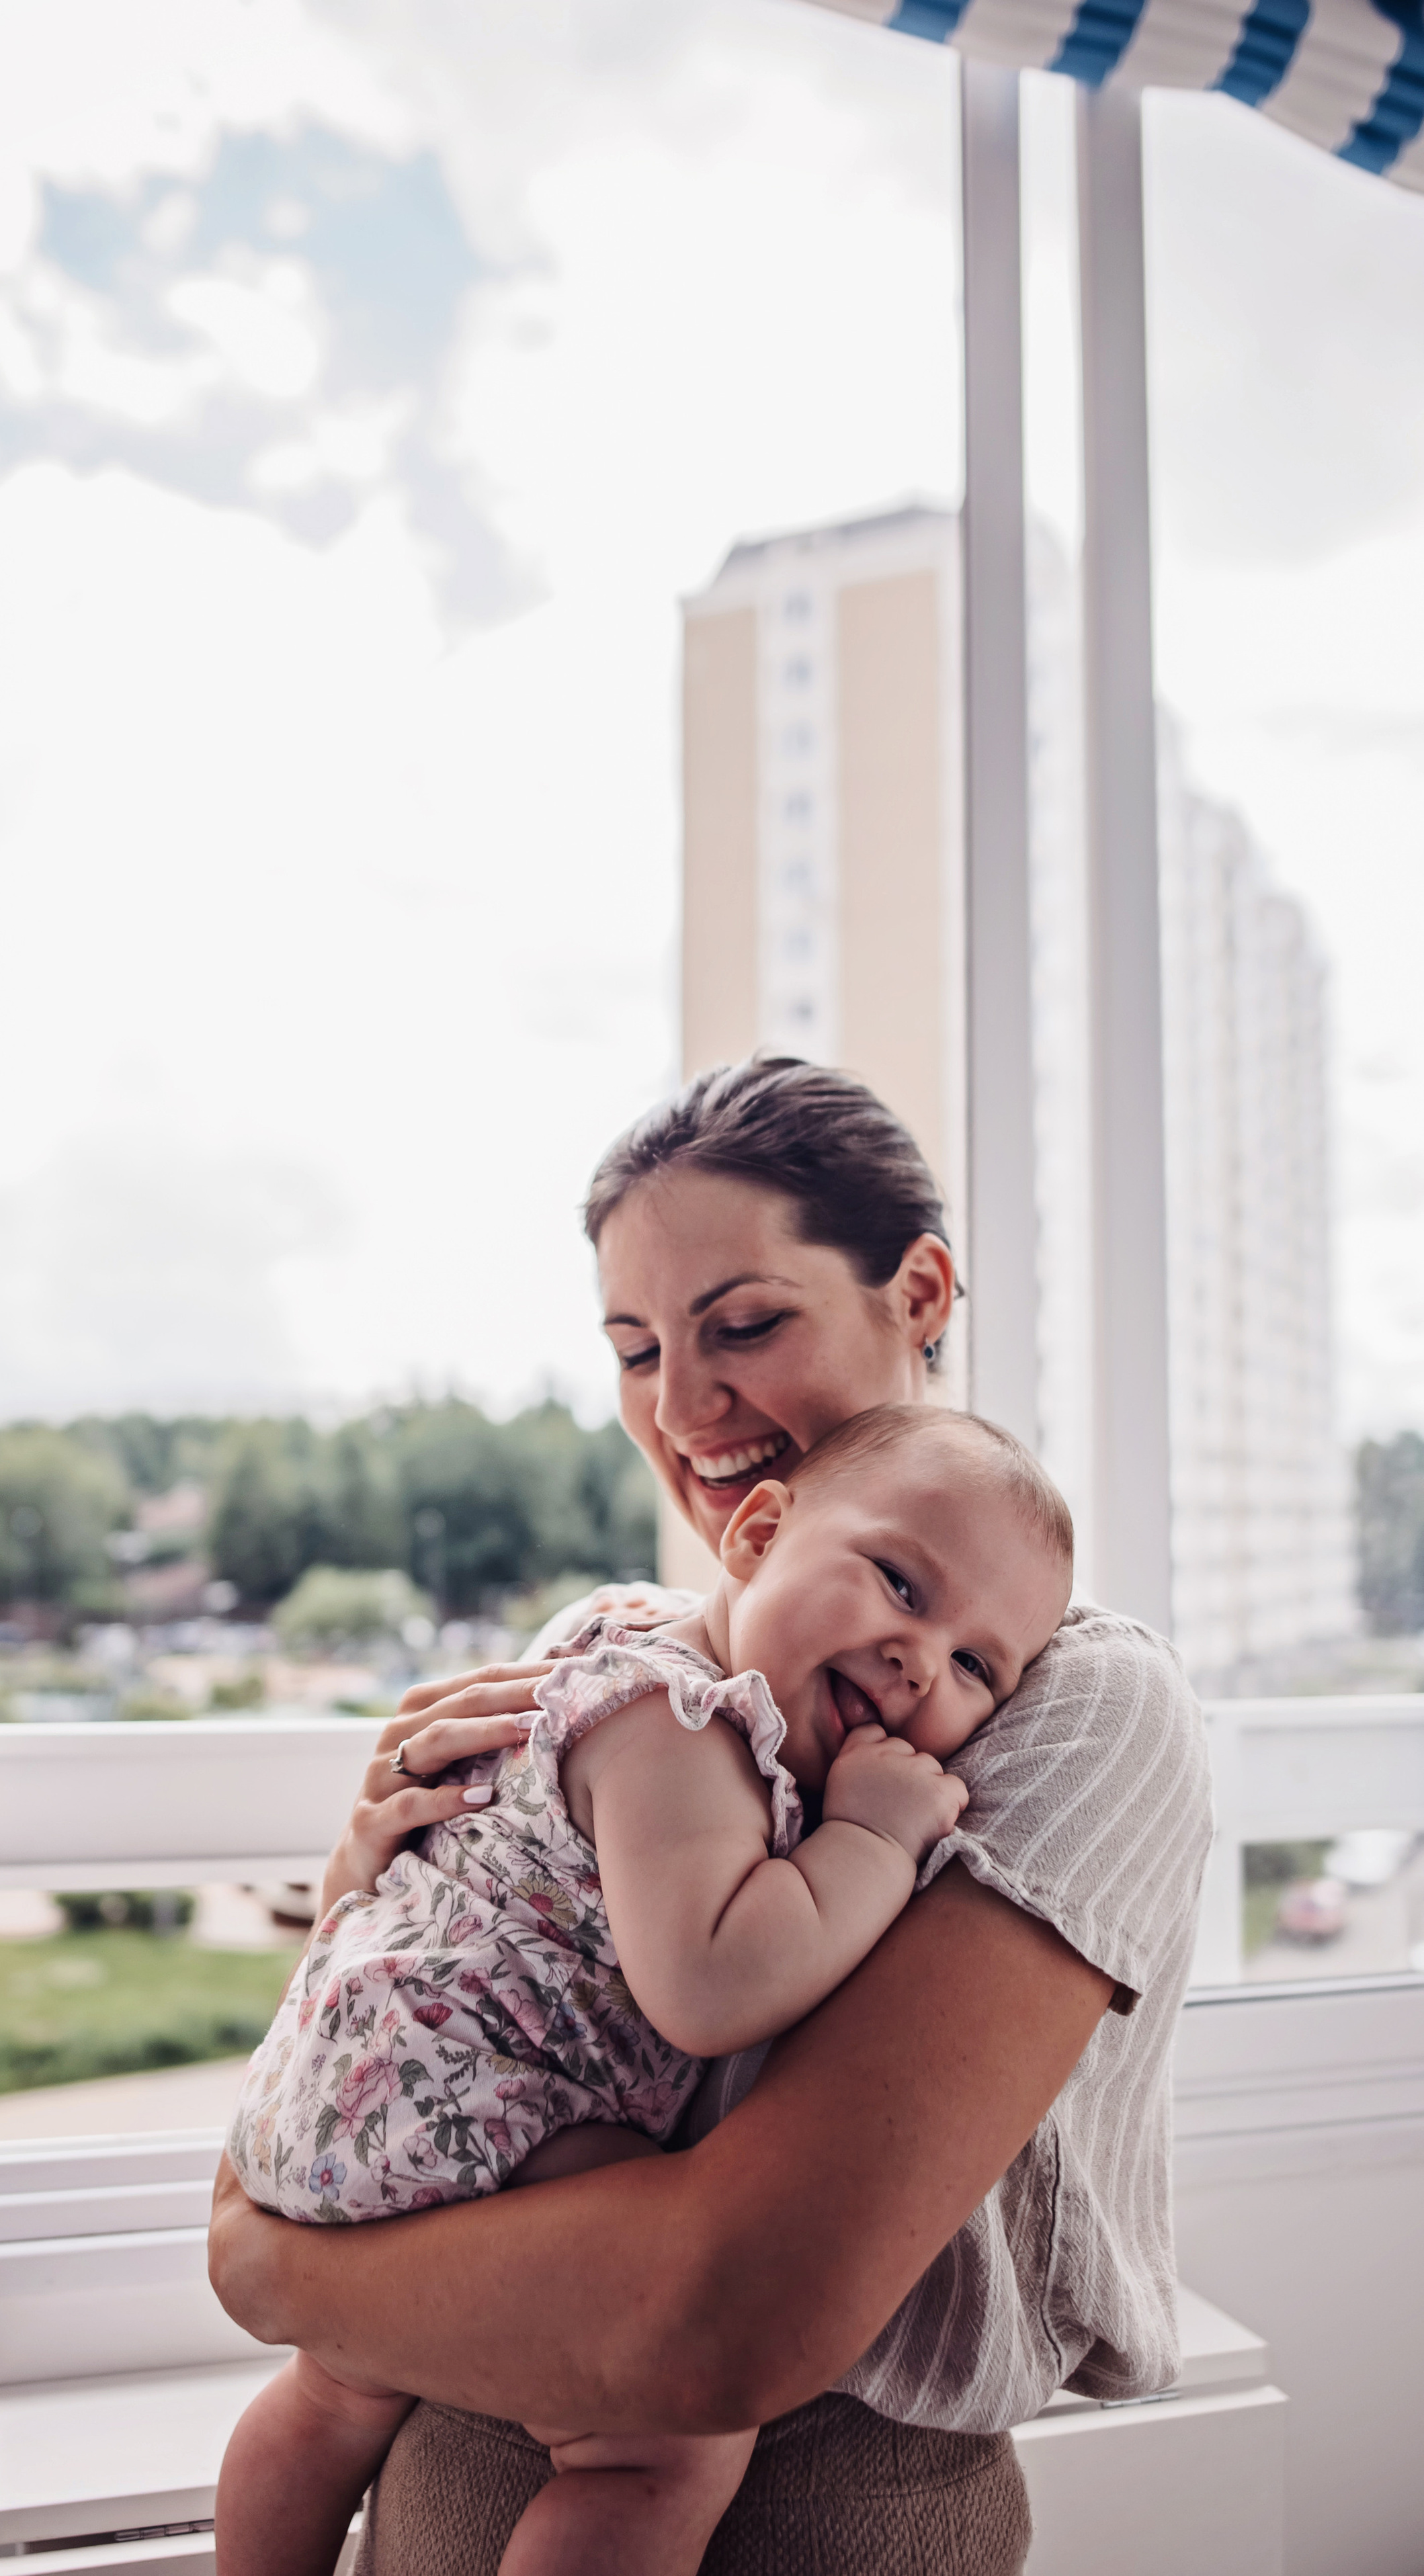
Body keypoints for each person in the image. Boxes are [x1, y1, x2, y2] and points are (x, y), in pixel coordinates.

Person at [210, 1059, 1212, 2576]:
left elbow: (723, 2308)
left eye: (743, 1324)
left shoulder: (1071, 1703)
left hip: (809, 2503)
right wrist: (369, 1869)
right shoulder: (627, 1662)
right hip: (425, 2462)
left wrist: (275, 2267)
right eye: (633, 1349)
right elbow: (383, 2044)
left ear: (921, 1291)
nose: (679, 1408)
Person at [216, 1405, 1073, 2576]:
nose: (919, 1658)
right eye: (900, 1585)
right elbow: (711, 1986)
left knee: (328, 2393)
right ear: (758, 1533)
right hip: (469, 2097)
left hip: (348, 2086)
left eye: (977, 1664)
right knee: (663, 2449)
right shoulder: (681, 1723)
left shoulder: (616, 1650)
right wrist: (870, 1839)